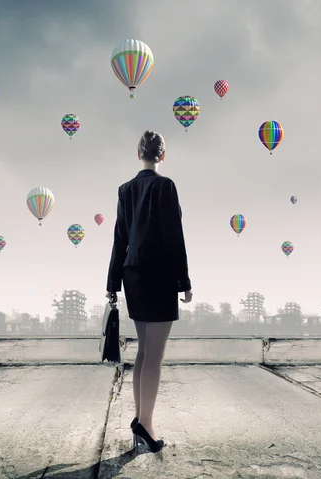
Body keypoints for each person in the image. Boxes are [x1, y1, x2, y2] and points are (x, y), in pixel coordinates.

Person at [105, 130, 193, 453]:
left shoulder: (125, 190)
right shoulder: (165, 187)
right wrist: (184, 281)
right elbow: (175, 237)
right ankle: (146, 426)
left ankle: (141, 420)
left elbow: (119, 239)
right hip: (159, 277)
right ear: (163, 155)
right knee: (154, 355)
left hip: (133, 277)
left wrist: (112, 284)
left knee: (143, 351)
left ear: (138, 153)